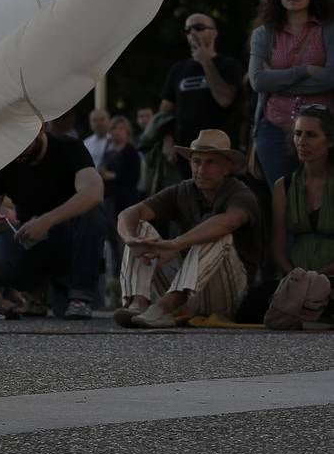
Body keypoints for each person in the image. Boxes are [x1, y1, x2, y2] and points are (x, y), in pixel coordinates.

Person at [114, 129, 261, 329]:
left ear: (227, 167)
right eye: (197, 161)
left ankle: (165, 307)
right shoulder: (184, 189)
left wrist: (175, 244)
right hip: (189, 291)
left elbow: (229, 221)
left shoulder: (241, 194)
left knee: (217, 235)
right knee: (139, 228)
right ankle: (138, 302)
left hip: (228, 294)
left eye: (210, 162)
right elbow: (131, 212)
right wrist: (131, 239)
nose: (201, 169)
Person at [0, 126, 108, 319]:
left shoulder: (69, 147)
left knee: (93, 211)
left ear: (40, 129)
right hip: (31, 238)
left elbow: (94, 193)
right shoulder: (6, 157)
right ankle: (35, 291)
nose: (18, 151)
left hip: (70, 235)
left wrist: (46, 221)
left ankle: (79, 296)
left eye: (23, 144)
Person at [248, 0, 334, 190]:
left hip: (323, 131)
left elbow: (331, 78)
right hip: (274, 130)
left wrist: (276, 81)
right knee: (282, 201)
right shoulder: (263, 34)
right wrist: (303, 71)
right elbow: (257, 81)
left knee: (322, 201)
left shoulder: (328, 30)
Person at [160, 12, 243, 175]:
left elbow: (225, 100)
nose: (192, 33)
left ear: (214, 32)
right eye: (187, 30)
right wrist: (167, 140)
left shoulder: (229, 65)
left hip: (220, 152)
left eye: (198, 28)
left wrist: (205, 61)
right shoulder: (178, 69)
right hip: (186, 153)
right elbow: (164, 112)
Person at [271, 105, 334, 277]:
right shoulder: (283, 186)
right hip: (296, 279)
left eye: (311, 135)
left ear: (330, 141)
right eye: (298, 134)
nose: (302, 141)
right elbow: (278, 246)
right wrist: (296, 276)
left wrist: (318, 277)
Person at [100, 115, 141, 279]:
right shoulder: (108, 151)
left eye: (120, 128)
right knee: (111, 241)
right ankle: (115, 279)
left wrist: (113, 176)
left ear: (127, 131)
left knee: (123, 241)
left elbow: (134, 177)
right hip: (109, 200)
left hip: (125, 202)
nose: (117, 132)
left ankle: (127, 277)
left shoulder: (131, 152)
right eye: (114, 128)